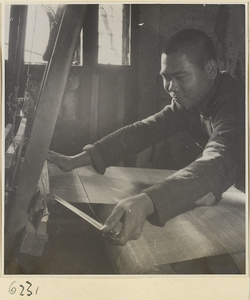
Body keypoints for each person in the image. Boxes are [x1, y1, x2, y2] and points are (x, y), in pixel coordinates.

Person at [47, 29, 245, 246]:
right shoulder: (191, 103)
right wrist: (76, 159)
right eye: (166, 78)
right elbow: (143, 131)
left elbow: (220, 158)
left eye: (179, 77)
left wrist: (147, 200)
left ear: (210, 69)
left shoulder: (237, 103)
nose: (171, 88)